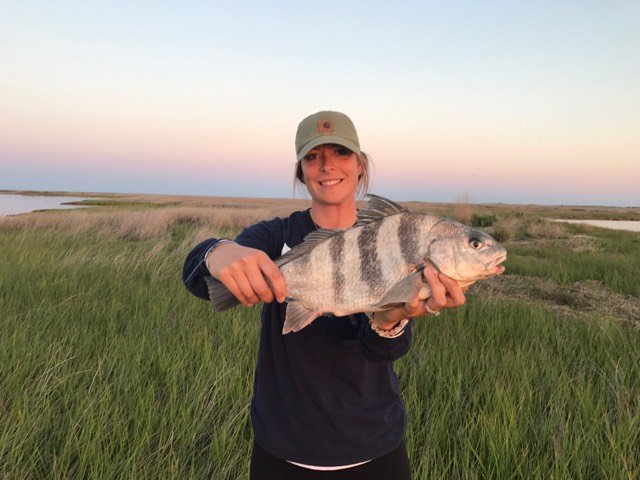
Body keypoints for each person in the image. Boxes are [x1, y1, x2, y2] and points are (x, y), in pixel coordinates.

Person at [182, 111, 467, 479]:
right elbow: (198, 279)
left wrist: (389, 319)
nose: (327, 165)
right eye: (313, 156)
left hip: (375, 446)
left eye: (341, 153)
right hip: (283, 448)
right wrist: (217, 252)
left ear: (360, 165)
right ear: (301, 171)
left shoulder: (392, 237)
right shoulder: (276, 236)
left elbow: (382, 351)